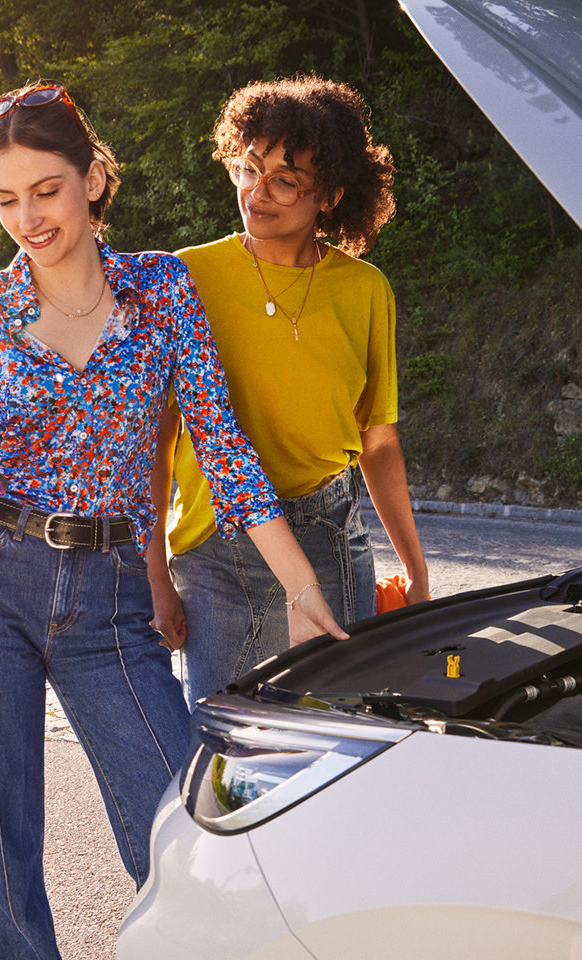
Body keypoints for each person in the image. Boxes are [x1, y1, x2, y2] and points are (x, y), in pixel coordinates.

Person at [0, 82, 345, 960]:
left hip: (111, 602)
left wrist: (302, 587)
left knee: (184, 832)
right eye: (5, 198)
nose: (28, 219)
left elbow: (223, 448)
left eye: (46, 190)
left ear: (94, 178)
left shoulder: (161, 289)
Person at [158, 75, 430, 705]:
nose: (257, 193)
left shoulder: (366, 290)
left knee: (341, 737)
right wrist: (154, 574)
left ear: (330, 194)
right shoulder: (185, 276)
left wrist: (415, 570)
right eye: (249, 168)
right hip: (215, 548)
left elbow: (378, 441)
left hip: (333, 538)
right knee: (224, 744)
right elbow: (158, 436)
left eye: (285, 180)